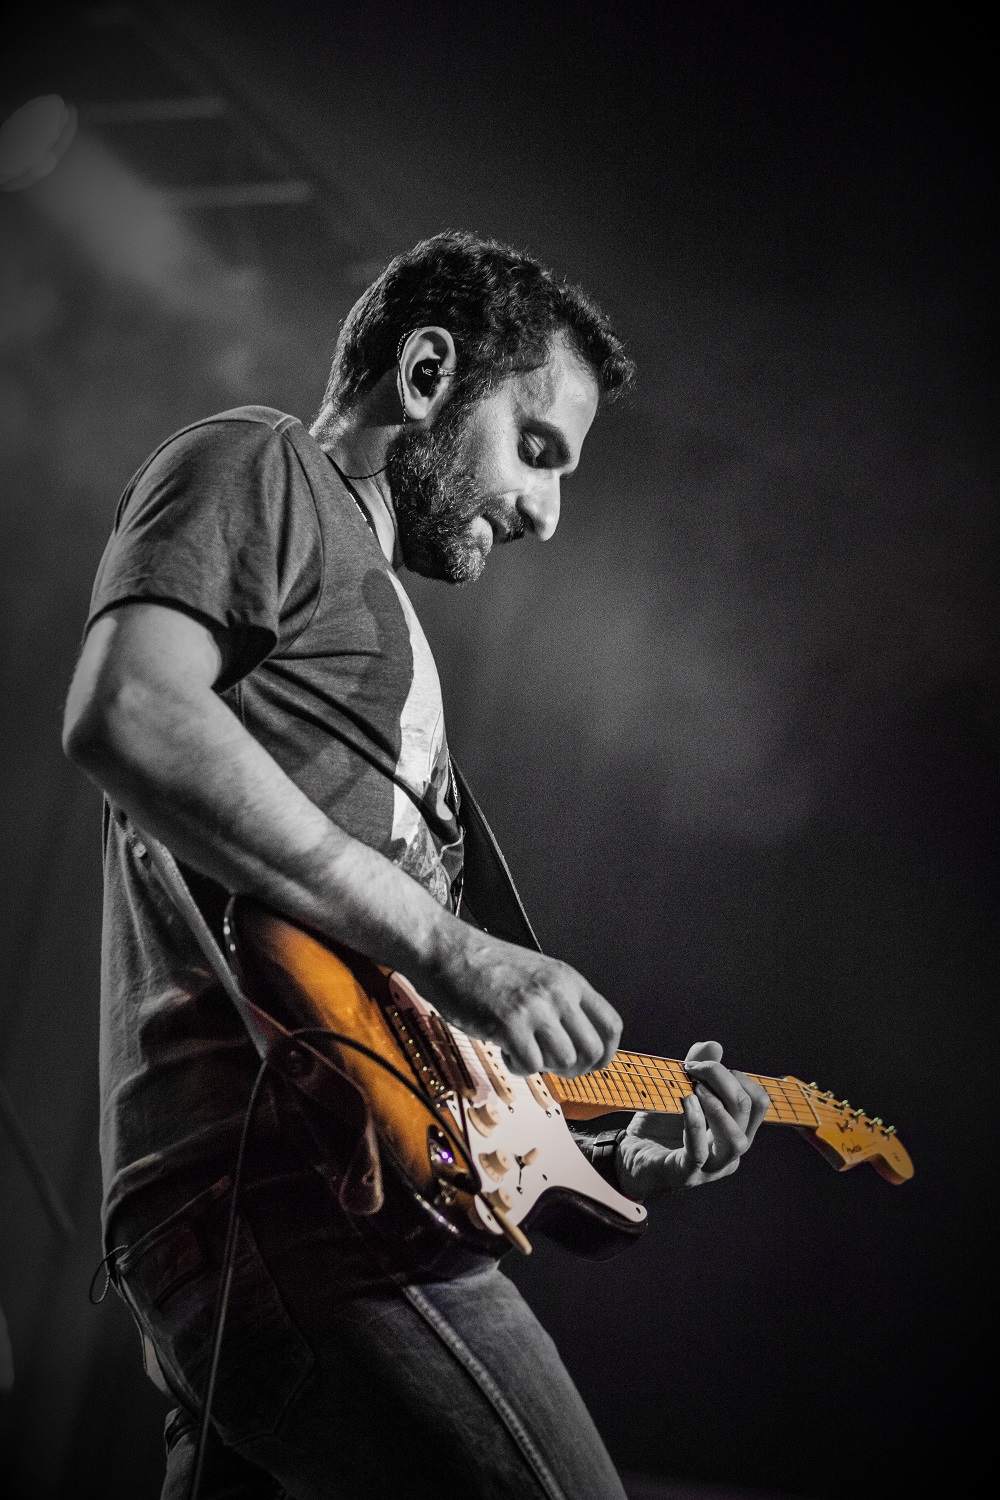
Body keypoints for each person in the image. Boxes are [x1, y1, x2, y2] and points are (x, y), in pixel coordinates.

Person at [63, 231, 770, 1500]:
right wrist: (456, 947)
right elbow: (132, 711)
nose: (546, 513)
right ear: (428, 373)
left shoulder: (375, 633)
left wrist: (605, 1166)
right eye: (536, 448)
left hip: (294, 1196)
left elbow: (403, 1034)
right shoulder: (263, 463)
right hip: (304, 1208)